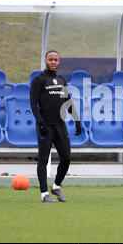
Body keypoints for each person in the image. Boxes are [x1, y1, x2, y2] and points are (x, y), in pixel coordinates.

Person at [30, 50, 82, 202]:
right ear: (45, 60)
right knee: (43, 160)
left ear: (59, 62)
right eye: (50, 59)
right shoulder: (38, 80)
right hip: (45, 125)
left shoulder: (61, 80)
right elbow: (33, 103)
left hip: (60, 124)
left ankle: (56, 186)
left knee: (66, 158)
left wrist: (77, 120)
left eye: (56, 60)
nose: (53, 62)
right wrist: (40, 123)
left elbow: (67, 100)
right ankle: (44, 194)